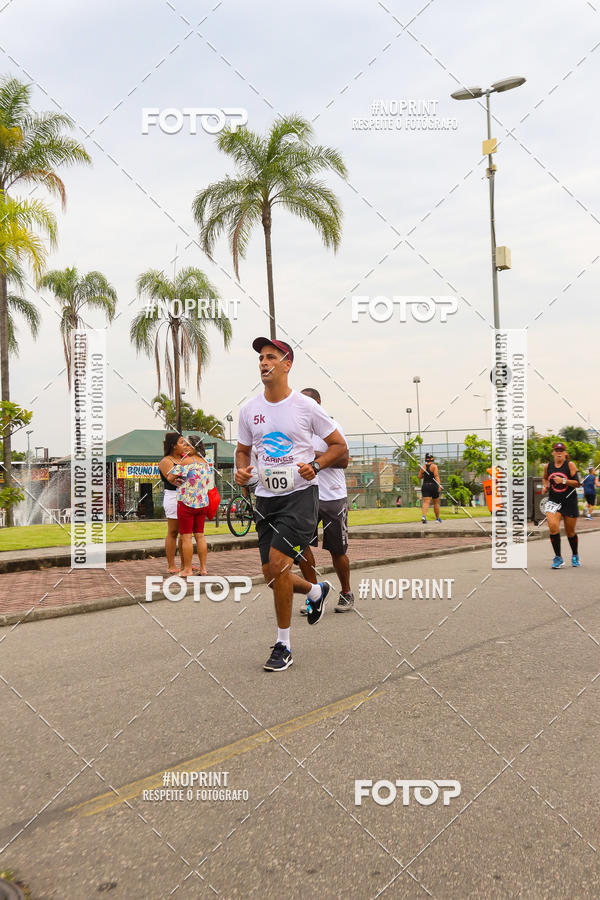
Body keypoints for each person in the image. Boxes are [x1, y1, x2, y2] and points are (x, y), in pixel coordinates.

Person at [235, 337, 347, 672]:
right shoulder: (249, 409)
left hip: (299, 497)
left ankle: (283, 644)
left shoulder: (306, 407)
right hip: (265, 498)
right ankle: (315, 591)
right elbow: (243, 449)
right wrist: (242, 468)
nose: (263, 363)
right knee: (272, 575)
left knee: (279, 562)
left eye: (271, 357)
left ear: (287, 364)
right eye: (260, 358)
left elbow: (338, 446)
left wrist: (317, 465)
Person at [297, 388, 353, 614]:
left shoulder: (331, 427)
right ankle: (315, 595)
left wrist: (316, 457)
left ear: (318, 404)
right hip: (304, 497)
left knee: (337, 551)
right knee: (300, 548)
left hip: (332, 496)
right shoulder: (298, 430)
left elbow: (344, 461)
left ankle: (346, 592)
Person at [170, 435, 214, 577]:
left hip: (187, 502)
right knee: (200, 536)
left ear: (196, 447)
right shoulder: (205, 463)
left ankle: (187, 569)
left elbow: (170, 477)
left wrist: (179, 481)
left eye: (189, 445)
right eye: (185, 445)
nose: (186, 447)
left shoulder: (186, 461)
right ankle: (203, 568)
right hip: (202, 503)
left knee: (186, 537)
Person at [542, 442, 581, 568]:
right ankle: (558, 557)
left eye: (561, 450)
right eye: (556, 450)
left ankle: (575, 555)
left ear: (565, 453)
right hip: (553, 502)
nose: (559, 452)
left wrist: (563, 480)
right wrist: (545, 486)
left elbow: (577, 483)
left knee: (570, 532)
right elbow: (545, 478)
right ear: (553, 452)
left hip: (569, 502)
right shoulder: (548, 466)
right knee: (553, 527)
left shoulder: (570, 465)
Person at [158, 433, 188, 574]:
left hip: (187, 495)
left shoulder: (184, 459)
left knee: (185, 533)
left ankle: (185, 565)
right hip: (173, 496)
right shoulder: (166, 461)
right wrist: (185, 463)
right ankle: (171, 565)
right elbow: (172, 479)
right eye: (182, 442)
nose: (185, 445)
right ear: (173, 445)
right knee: (173, 531)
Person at [419, 453, 442, 523]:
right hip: (433, 485)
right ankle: (437, 519)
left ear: (426, 459)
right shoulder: (434, 466)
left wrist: (425, 476)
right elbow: (436, 476)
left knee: (426, 502)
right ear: (432, 459)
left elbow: (419, 477)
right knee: (436, 503)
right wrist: (439, 485)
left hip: (425, 485)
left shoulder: (423, 467)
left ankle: (423, 516)